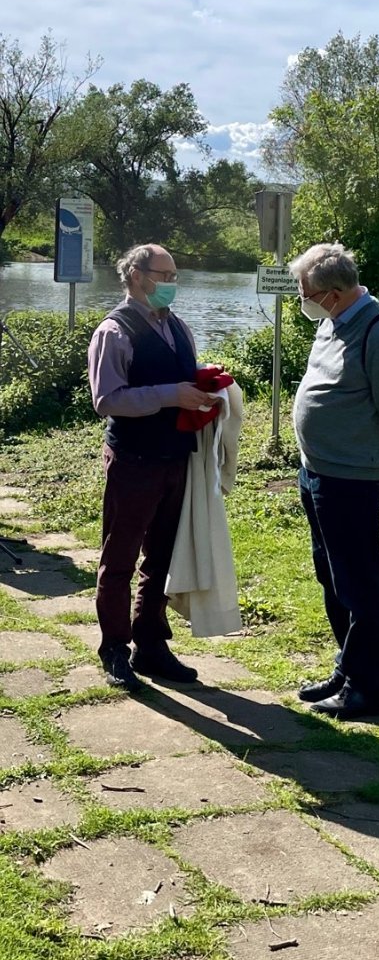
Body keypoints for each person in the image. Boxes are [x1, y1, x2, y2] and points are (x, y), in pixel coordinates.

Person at [290, 242, 379, 720]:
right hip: (318, 472)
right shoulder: (332, 321)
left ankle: (367, 689)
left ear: (336, 292)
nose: (302, 300)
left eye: (306, 293)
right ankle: (346, 669)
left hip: (352, 477)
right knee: (332, 577)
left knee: (359, 583)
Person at [87, 243, 217, 691]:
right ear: (138, 276)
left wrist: (206, 390)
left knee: (161, 556)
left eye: (176, 275)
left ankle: (151, 645)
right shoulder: (113, 331)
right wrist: (169, 395)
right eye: (167, 275)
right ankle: (114, 648)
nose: (173, 283)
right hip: (134, 460)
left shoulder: (177, 326)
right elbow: (107, 400)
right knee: (120, 558)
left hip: (175, 458)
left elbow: (183, 377)